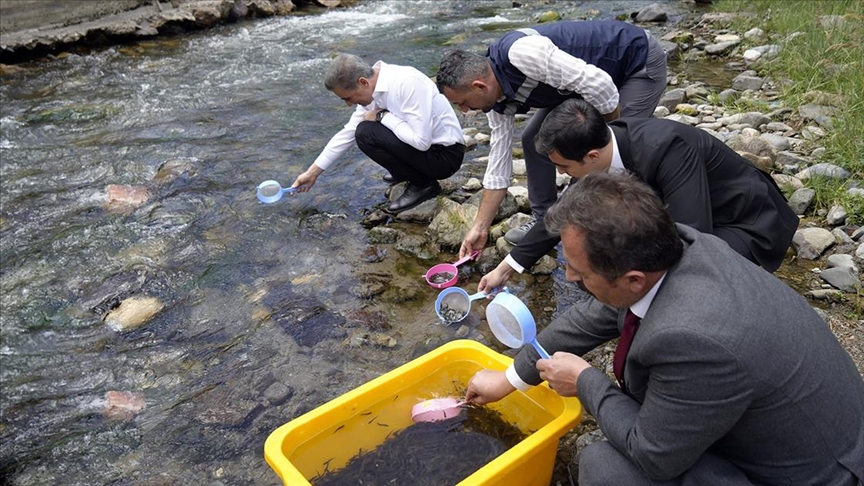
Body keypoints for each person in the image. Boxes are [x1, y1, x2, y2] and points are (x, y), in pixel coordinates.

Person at [466, 171, 864, 485]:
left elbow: (653, 457)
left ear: (633, 279)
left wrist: (586, 380)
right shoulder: (686, 245)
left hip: (816, 475)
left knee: (606, 467)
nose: (568, 277)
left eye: (578, 271)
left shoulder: (695, 341)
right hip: (803, 429)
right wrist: (510, 378)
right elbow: (598, 315)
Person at [478, 98, 799, 292]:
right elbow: (562, 214)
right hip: (696, 213)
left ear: (590, 156)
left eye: (562, 167)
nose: (560, 174)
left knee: (680, 278)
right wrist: (505, 268)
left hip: (745, 220)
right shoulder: (602, 151)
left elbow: (693, 234)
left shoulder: (668, 149)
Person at [436, 19, 667, 248]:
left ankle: (630, 223)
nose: (464, 111)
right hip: (582, 83)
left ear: (479, 86)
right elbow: (498, 166)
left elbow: (601, 87)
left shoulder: (522, 55)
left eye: (463, 103)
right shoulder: (495, 102)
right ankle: (546, 221)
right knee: (533, 139)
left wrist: (602, 140)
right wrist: (480, 227)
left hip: (636, 62)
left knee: (608, 150)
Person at [291, 53, 466, 213]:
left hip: (445, 157)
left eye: (348, 98)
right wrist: (312, 173)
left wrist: (382, 116)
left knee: (366, 132)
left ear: (363, 82)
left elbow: (421, 142)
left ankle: (423, 185)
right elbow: (347, 133)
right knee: (361, 131)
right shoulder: (372, 91)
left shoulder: (406, 83)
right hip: (427, 151)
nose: (349, 104)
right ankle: (406, 172)